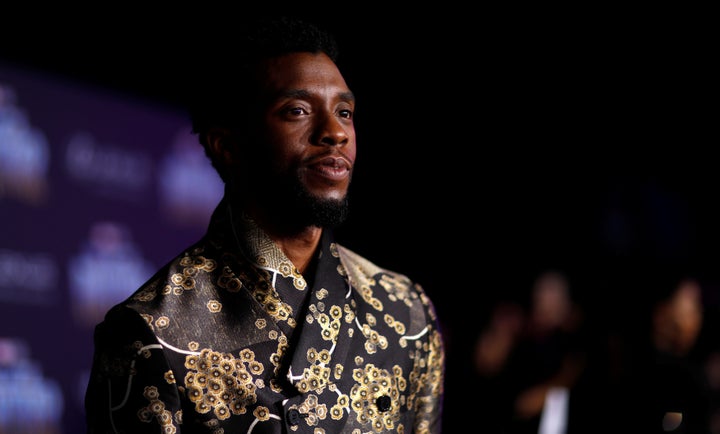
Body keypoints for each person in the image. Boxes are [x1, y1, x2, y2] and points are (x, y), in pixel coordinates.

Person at [84, 15, 445, 434]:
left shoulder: (404, 310)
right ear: (228, 146)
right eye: (297, 110)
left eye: (344, 112)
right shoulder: (149, 332)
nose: (335, 133)